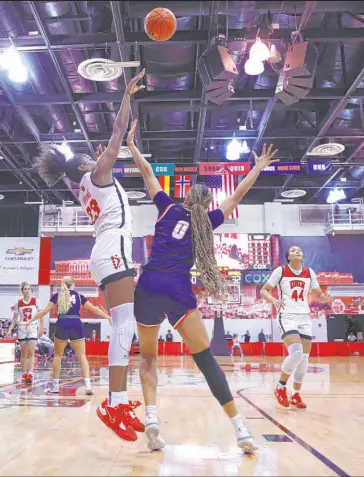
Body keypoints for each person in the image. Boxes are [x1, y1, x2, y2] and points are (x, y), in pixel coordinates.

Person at [127, 119, 278, 452]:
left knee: (149, 358)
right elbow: (239, 193)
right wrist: (258, 167)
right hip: (178, 288)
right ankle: (241, 430)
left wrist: (133, 145)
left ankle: (151, 419)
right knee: (206, 360)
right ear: (207, 203)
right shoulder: (208, 222)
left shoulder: (166, 207)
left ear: (184, 196)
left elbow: (148, 173)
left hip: (149, 283)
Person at [34, 70, 146, 442]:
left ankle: (118, 399)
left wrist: (99, 162)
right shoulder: (96, 175)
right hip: (113, 247)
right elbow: (116, 132)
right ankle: (114, 402)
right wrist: (126, 96)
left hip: (108, 249)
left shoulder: (86, 183)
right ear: (87, 164)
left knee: (125, 326)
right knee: (125, 326)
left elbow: (97, 164)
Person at [260, 245, 332, 409]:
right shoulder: (281, 271)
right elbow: (264, 291)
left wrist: (325, 297)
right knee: (297, 352)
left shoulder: (309, 272)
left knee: (304, 359)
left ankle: (295, 394)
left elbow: (318, 295)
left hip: (304, 316)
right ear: (288, 257)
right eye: (293, 250)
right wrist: (273, 300)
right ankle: (280, 387)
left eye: (299, 250)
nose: (297, 251)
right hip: (287, 315)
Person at [23, 276, 111, 395]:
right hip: (76, 323)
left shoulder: (57, 296)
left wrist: (30, 320)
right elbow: (94, 309)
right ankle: (88, 386)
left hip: (62, 323)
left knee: (58, 356)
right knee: (82, 356)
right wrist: (108, 317)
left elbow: (43, 311)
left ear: (62, 284)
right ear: (73, 285)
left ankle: (55, 386)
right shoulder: (79, 296)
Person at [7, 282, 43, 386]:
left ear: (31, 291)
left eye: (28, 289)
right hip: (22, 328)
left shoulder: (36, 301)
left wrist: (41, 328)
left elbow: (41, 315)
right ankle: (23, 373)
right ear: (22, 291)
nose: (27, 290)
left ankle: (30, 374)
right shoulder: (18, 303)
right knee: (23, 352)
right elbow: (14, 319)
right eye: (25, 289)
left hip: (32, 327)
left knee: (31, 352)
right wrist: (9, 330)